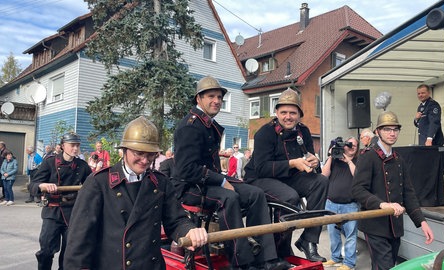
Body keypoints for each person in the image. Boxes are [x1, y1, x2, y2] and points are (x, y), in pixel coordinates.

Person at [172, 76, 289, 270]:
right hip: (187, 187)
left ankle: (265, 258)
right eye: (211, 96)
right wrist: (220, 181)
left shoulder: (207, 123)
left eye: (219, 97)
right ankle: (241, 262)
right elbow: (185, 169)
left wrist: (221, 180)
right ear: (198, 99)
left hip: (208, 182)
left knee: (255, 194)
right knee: (229, 198)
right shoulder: (190, 126)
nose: (217, 101)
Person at [64, 116, 207, 269]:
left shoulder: (161, 182)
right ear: (124, 150)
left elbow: (176, 220)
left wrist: (189, 231)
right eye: (139, 153)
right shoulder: (99, 182)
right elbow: (79, 240)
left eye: (150, 154)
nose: (145, 160)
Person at [244, 88, 329, 262]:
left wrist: (314, 162)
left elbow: (309, 158)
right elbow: (261, 168)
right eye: (283, 112)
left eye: (292, 112)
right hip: (260, 179)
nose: (288, 117)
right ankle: (278, 250)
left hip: (289, 178)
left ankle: (308, 240)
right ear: (276, 112)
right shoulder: (264, 133)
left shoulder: (303, 132)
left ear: (299, 114)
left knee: (321, 182)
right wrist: (292, 163)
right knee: (290, 197)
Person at [352, 111, 434, 270]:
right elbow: (358, 190)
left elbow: (408, 194)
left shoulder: (399, 159)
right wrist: (382, 205)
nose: (392, 133)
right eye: (387, 129)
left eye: (395, 129)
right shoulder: (368, 157)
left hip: (395, 227)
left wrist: (422, 222)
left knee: (388, 266)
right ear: (377, 132)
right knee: (385, 267)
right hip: (375, 225)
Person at [29, 132, 91, 270]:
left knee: (70, 252)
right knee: (46, 251)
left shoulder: (82, 165)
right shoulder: (50, 162)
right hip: (52, 211)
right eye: (72, 145)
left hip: (73, 213)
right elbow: (32, 184)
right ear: (63, 146)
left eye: (77, 146)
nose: (75, 149)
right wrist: (42, 186)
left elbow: (92, 186)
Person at [321, 137, 360, 270]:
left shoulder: (358, 161)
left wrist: (349, 161)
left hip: (350, 205)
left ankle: (349, 263)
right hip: (331, 203)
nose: (351, 146)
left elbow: (359, 177)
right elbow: (324, 175)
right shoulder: (335, 160)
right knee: (333, 234)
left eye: (354, 145)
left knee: (350, 235)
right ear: (343, 146)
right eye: (349, 144)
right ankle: (335, 258)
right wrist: (331, 156)